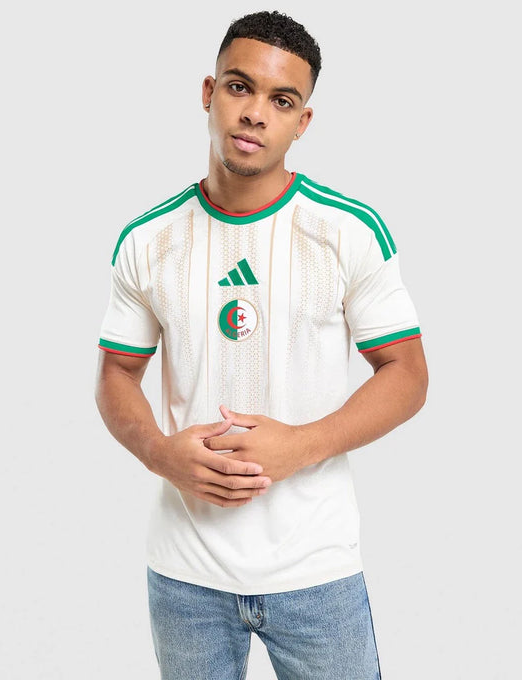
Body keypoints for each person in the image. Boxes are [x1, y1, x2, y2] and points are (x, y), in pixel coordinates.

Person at [95, 10, 428, 680]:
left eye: (281, 100)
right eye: (239, 87)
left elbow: (407, 373)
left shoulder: (347, 230)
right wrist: (159, 453)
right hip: (185, 572)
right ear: (208, 92)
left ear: (302, 122)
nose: (254, 113)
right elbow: (116, 374)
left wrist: (300, 445)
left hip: (316, 568)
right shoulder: (147, 240)